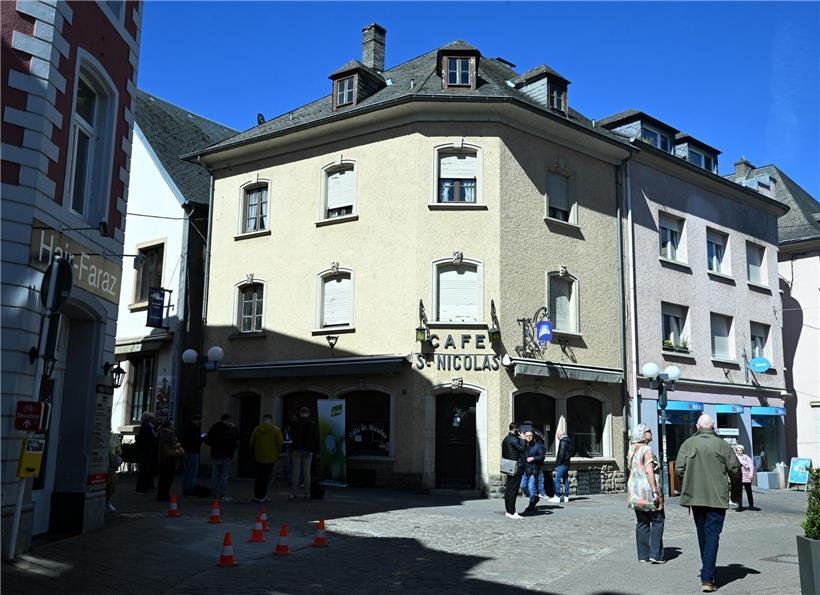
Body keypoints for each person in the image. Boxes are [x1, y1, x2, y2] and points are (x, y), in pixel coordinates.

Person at [676, 414, 741, 593]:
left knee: (703, 534)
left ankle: (707, 570)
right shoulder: (722, 445)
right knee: (712, 535)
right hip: (717, 498)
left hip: (695, 497)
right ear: (713, 428)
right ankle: (707, 576)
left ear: (697, 427)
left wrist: (689, 483)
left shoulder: (688, 444)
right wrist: (735, 495)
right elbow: (735, 470)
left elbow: (679, 469)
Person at [627, 424, 665, 563]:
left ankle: (643, 555)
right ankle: (656, 554)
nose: (651, 432)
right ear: (642, 434)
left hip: (635, 491)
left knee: (642, 522)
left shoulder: (631, 450)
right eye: (648, 430)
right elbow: (649, 471)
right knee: (657, 519)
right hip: (648, 489)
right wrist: (655, 491)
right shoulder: (647, 450)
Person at [205, 413, 240, 502]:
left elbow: (207, 440)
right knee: (223, 476)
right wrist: (234, 428)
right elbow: (236, 437)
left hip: (215, 454)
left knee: (215, 474)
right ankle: (222, 495)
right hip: (225, 454)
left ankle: (214, 494)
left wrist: (214, 445)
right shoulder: (229, 429)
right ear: (227, 420)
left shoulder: (214, 427)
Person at [250, 414, 284, 502]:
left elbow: (251, 442)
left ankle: (256, 495)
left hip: (258, 456)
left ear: (263, 420)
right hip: (271, 457)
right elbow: (280, 442)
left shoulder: (257, 429)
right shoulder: (276, 430)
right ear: (271, 420)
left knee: (259, 476)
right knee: (266, 477)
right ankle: (263, 495)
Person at [288, 406, 317, 501]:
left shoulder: (294, 423)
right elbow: (315, 437)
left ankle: (294, 493)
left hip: (296, 449)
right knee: (307, 472)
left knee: (296, 472)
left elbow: (290, 435)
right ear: (308, 414)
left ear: (300, 413)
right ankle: (307, 493)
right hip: (308, 450)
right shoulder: (313, 424)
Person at [501, 422, 526, 519]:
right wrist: (523, 440)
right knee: (513, 490)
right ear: (515, 430)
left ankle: (508, 510)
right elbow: (522, 449)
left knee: (509, 489)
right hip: (516, 466)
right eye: (518, 431)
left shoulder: (505, 439)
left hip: (508, 466)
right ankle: (512, 512)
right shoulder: (513, 439)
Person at [156, 421, 184, 501]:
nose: (174, 426)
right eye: (172, 425)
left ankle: (162, 494)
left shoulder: (163, 433)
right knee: (167, 478)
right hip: (168, 459)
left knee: (164, 478)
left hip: (164, 459)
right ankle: (164, 495)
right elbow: (172, 445)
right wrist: (178, 444)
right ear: (169, 426)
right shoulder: (168, 434)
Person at [522, 430, 545, 513]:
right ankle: (534, 498)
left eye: (530, 435)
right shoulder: (523, 445)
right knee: (523, 486)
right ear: (524, 436)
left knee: (532, 488)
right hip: (524, 470)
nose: (528, 437)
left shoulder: (538, 446)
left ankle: (531, 505)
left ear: (533, 436)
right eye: (527, 435)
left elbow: (542, 457)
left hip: (533, 470)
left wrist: (533, 458)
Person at [180, 414, 203, 496]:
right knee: (192, 472)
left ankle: (185, 489)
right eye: (199, 421)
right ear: (196, 420)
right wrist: (202, 438)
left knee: (186, 472)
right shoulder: (194, 429)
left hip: (185, 452)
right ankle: (190, 489)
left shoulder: (186, 427)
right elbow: (196, 440)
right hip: (193, 452)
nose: (200, 423)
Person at [135, 412, 157, 494]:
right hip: (145, 451)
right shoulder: (147, 427)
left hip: (147, 451)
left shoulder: (148, 427)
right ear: (149, 419)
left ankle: (147, 485)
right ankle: (141, 488)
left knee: (147, 469)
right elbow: (149, 438)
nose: (154, 420)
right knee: (144, 470)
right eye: (152, 418)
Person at [549, 429, 572, 503]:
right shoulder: (569, 441)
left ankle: (557, 496)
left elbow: (561, 453)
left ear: (559, 435)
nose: (557, 438)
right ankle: (566, 496)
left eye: (557, 436)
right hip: (567, 463)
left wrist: (558, 463)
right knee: (565, 479)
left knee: (557, 479)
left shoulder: (563, 442)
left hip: (562, 463)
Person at [734, 445, 756, 511]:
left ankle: (751, 505)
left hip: (746, 476)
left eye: (740, 451)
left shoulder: (747, 458)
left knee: (749, 491)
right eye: (738, 451)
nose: (739, 452)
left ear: (743, 451)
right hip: (738, 477)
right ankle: (739, 506)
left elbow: (751, 466)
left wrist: (751, 474)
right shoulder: (734, 458)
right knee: (739, 492)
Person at [106, 434, 123, 512]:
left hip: (110, 465)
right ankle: (107, 502)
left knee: (111, 484)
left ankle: (107, 502)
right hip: (105, 464)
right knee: (110, 484)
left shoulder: (114, 437)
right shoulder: (113, 437)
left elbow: (118, 451)